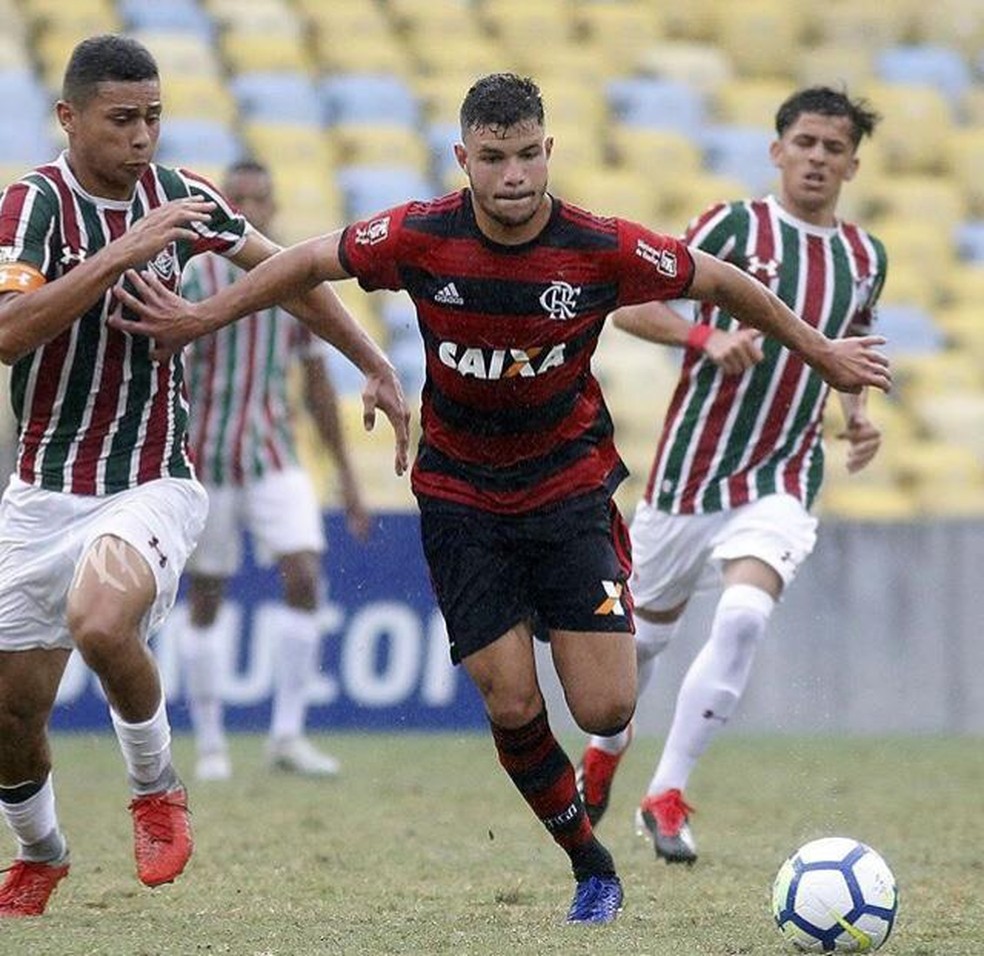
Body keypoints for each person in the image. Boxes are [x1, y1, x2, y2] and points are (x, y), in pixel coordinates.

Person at [110, 74, 890, 925]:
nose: (513, 175)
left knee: (607, 705)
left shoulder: (600, 247)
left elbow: (724, 283)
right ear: (464, 159)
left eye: (527, 156)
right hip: (459, 495)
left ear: (547, 151)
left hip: (567, 490)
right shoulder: (417, 235)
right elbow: (302, 261)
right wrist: (202, 317)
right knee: (514, 703)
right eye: (493, 159)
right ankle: (591, 866)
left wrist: (824, 357)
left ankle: (580, 643)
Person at [0, 34, 408, 918]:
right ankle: (41, 850)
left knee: (103, 622)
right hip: (41, 489)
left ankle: (156, 791)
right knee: (11, 717)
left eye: (153, 117)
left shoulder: (181, 198)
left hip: (154, 476)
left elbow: (291, 271)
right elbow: (7, 332)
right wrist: (119, 253)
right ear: (69, 118)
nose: (142, 137)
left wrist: (372, 360)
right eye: (121, 120)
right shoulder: (32, 205)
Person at [577, 86, 887, 866]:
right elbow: (630, 309)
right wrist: (705, 335)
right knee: (636, 651)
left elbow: (845, 347)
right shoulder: (731, 227)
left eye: (834, 147)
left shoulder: (863, 256)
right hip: (687, 478)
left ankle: (668, 791)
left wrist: (856, 418)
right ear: (778, 150)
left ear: (853, 163)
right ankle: (607, 751)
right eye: (805, 142)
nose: (818, 157)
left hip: (781, 474)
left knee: (746, 616)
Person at [179, 160, 373, 782]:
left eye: (259, 199)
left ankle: (287, 734)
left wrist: (347, 476)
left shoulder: (294, 279)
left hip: (273, 453)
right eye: (238, 199)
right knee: (206, 595)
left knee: (305, 575)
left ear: (273, 205)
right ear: (220, 206)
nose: (250, 209)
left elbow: (316, 386)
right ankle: (209, 742)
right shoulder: (193, 277)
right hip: (205, 459)